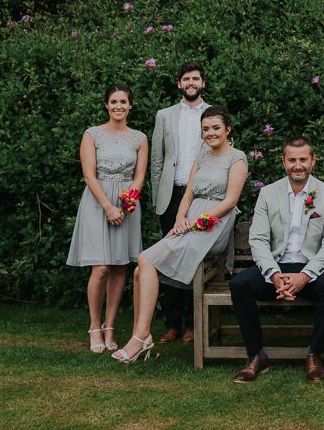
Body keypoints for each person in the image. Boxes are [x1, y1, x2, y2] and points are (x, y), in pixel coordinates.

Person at [112, 107, 247, 363]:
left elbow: (230, 201)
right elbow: (188, 195)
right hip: (190, 221)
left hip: (214, 224)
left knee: (145, 258)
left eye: (216, 128)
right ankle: (139, 337)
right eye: (205, 129)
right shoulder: (202, 156)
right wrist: (180, 219)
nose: (210, 133)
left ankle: (141, 339)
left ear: (228, 129)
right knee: (141, 270)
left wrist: (198, 221)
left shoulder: (237, 158)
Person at [230, 137, 324, 384]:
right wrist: (273, 274)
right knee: (240, 284)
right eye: (292, 160)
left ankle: (315, 353)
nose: (298, 165)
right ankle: (257, 355)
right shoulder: (268, 193)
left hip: (312, 268)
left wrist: (304, 276)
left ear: (313, 161)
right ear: (283, 161)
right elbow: (258, 239)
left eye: (303, 159)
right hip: (277, 267)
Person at [67, 85, 148, 353]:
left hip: (127, 202)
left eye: (123, 102)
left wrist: (127, 203)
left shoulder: (139, 138)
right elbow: (89, 174)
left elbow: (139, 175)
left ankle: (110, 326)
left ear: (130, 105)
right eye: (113, 102)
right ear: (106, 105)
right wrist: (108, 206)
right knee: (100, 267)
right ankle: (94, 326)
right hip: (97, 200)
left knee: (119, 267)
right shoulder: (92, 135)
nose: (118, 106)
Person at [150, 61, 210, 344]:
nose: (191, 82)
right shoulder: (164, 115)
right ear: (179, 84)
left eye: (195, 78)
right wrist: (156, 200)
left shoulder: (212, 114)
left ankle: (191, 324)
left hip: (200, 196)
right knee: (167, 258)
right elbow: (157, 160)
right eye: (186, 78)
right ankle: (171, 323)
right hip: (171, 195)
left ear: (202, 84)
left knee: (192, 258)